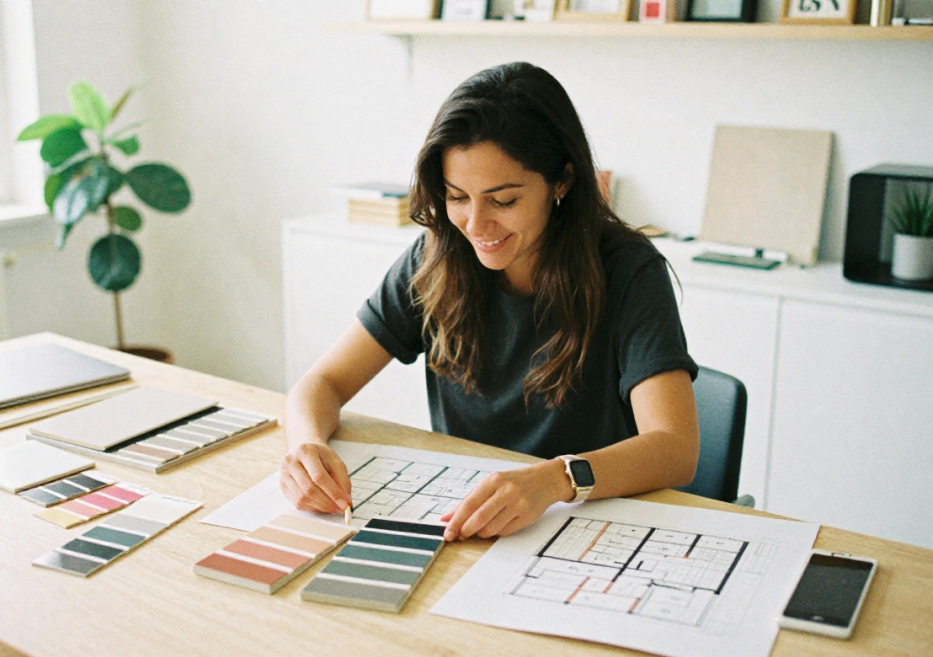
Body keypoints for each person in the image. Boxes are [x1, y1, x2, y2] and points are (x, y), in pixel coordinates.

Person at [280, 62, 699, 543]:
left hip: (584, 527)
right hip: (466, 526)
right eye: (457, 197)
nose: (476, 226)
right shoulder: (435, 257)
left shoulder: (627, 269)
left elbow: (675, 449)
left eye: (503, 201)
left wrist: (555, 480)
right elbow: (322, 383)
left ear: (561, 182)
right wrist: (307, 447)